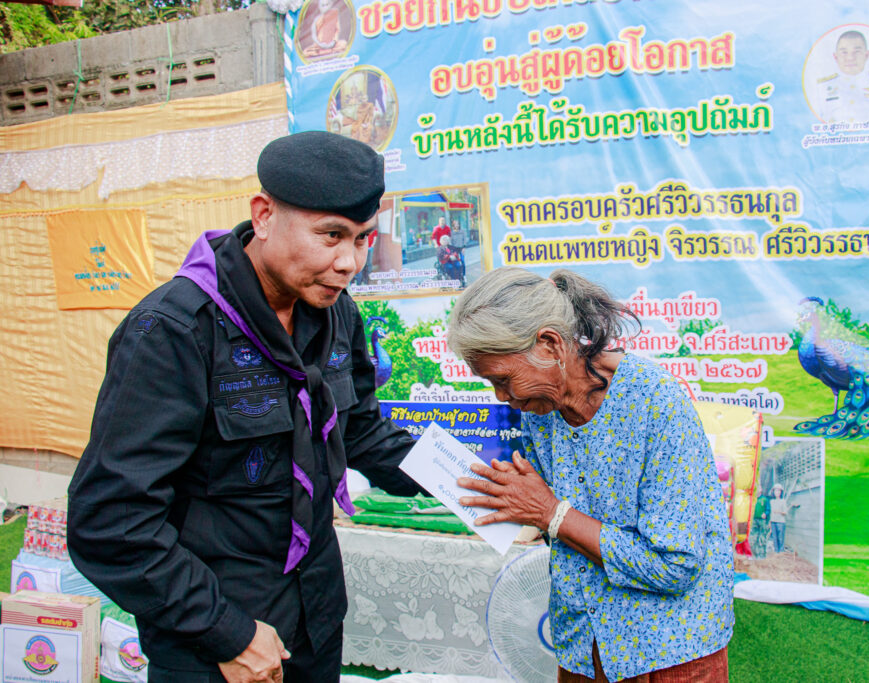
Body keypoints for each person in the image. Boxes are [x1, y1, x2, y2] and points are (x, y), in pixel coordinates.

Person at [67, 131, 423, 683]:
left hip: (316, 619)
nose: (349, 262)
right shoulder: (174, 331)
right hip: (217, 644)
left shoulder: (336, 314)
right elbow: (111, 521)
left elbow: (359, 433)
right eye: (331, 235)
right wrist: (226, 631)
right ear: (263, 216)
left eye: (363, 239)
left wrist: (472, 480)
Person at [446, 267, 734, 682]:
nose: (502, 397)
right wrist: (513, 506)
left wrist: (550, 513)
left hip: (668, 649)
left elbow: (675, 565)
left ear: (550, 344)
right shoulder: (539, 412)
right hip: (582, 644)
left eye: (504, 379)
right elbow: (555, 526)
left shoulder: (655, 402)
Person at [814, 29, 869, 123]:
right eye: (844, 52)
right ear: (835, 57)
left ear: (867, 55)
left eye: (856, 52)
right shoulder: (822, 88)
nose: (850, 58)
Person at [768, 484, 798, 554]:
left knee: (780, 538)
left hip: (780, 522)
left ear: (781, 492)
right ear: (773, 492)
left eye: (779, 491)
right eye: (776, 491)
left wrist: (778, 511)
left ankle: (781, 552)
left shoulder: (783, 501)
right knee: (774, 538)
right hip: (773, 522)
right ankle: (776, 552)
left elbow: (785, 512)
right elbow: (771, 513)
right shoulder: (771, 501)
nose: (777, 492)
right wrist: (769, 522)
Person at [751, 490, 770, 560]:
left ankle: (762, 555)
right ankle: (754, 554)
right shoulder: (753, 499)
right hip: (754, 520)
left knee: (762, 538)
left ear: (761, 490)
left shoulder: (764, 499)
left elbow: (768, 509)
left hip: (762, 521)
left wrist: (765, 514)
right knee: (754, 537)